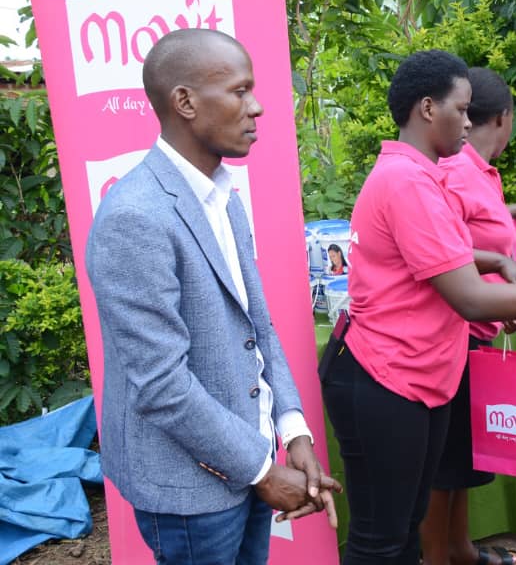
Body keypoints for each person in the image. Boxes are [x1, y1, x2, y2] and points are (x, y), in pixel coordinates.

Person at [321, 49, 516, 565]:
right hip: (383, 377)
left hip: (413, 376)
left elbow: (445, 254)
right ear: (427, 108)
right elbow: (469, 296)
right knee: (381, 543)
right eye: (461, 110)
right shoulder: (407, 181)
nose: (468, 122)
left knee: (404, 531)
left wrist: (496, 260)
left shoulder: (423, 175)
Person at [85, 29, 340, 565]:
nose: (257, 107)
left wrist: (293, 431)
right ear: (185, 102)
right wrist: (263, 472)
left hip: (251, 460)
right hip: (190, 491)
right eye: (240, 91)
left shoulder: (223, 198)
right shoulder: (135, 216)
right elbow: (161, 383)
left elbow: (256, 326)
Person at [419, 67, 516, 565]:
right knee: (444, 465)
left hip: (476, 328)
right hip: (454, 333)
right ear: (504, 118)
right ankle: (436, 557)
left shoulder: (478, 171)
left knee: (462, 457)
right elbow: (443, 250)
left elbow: (470, 237)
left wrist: (510, 212)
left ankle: (460, 550)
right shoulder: (455, 171)